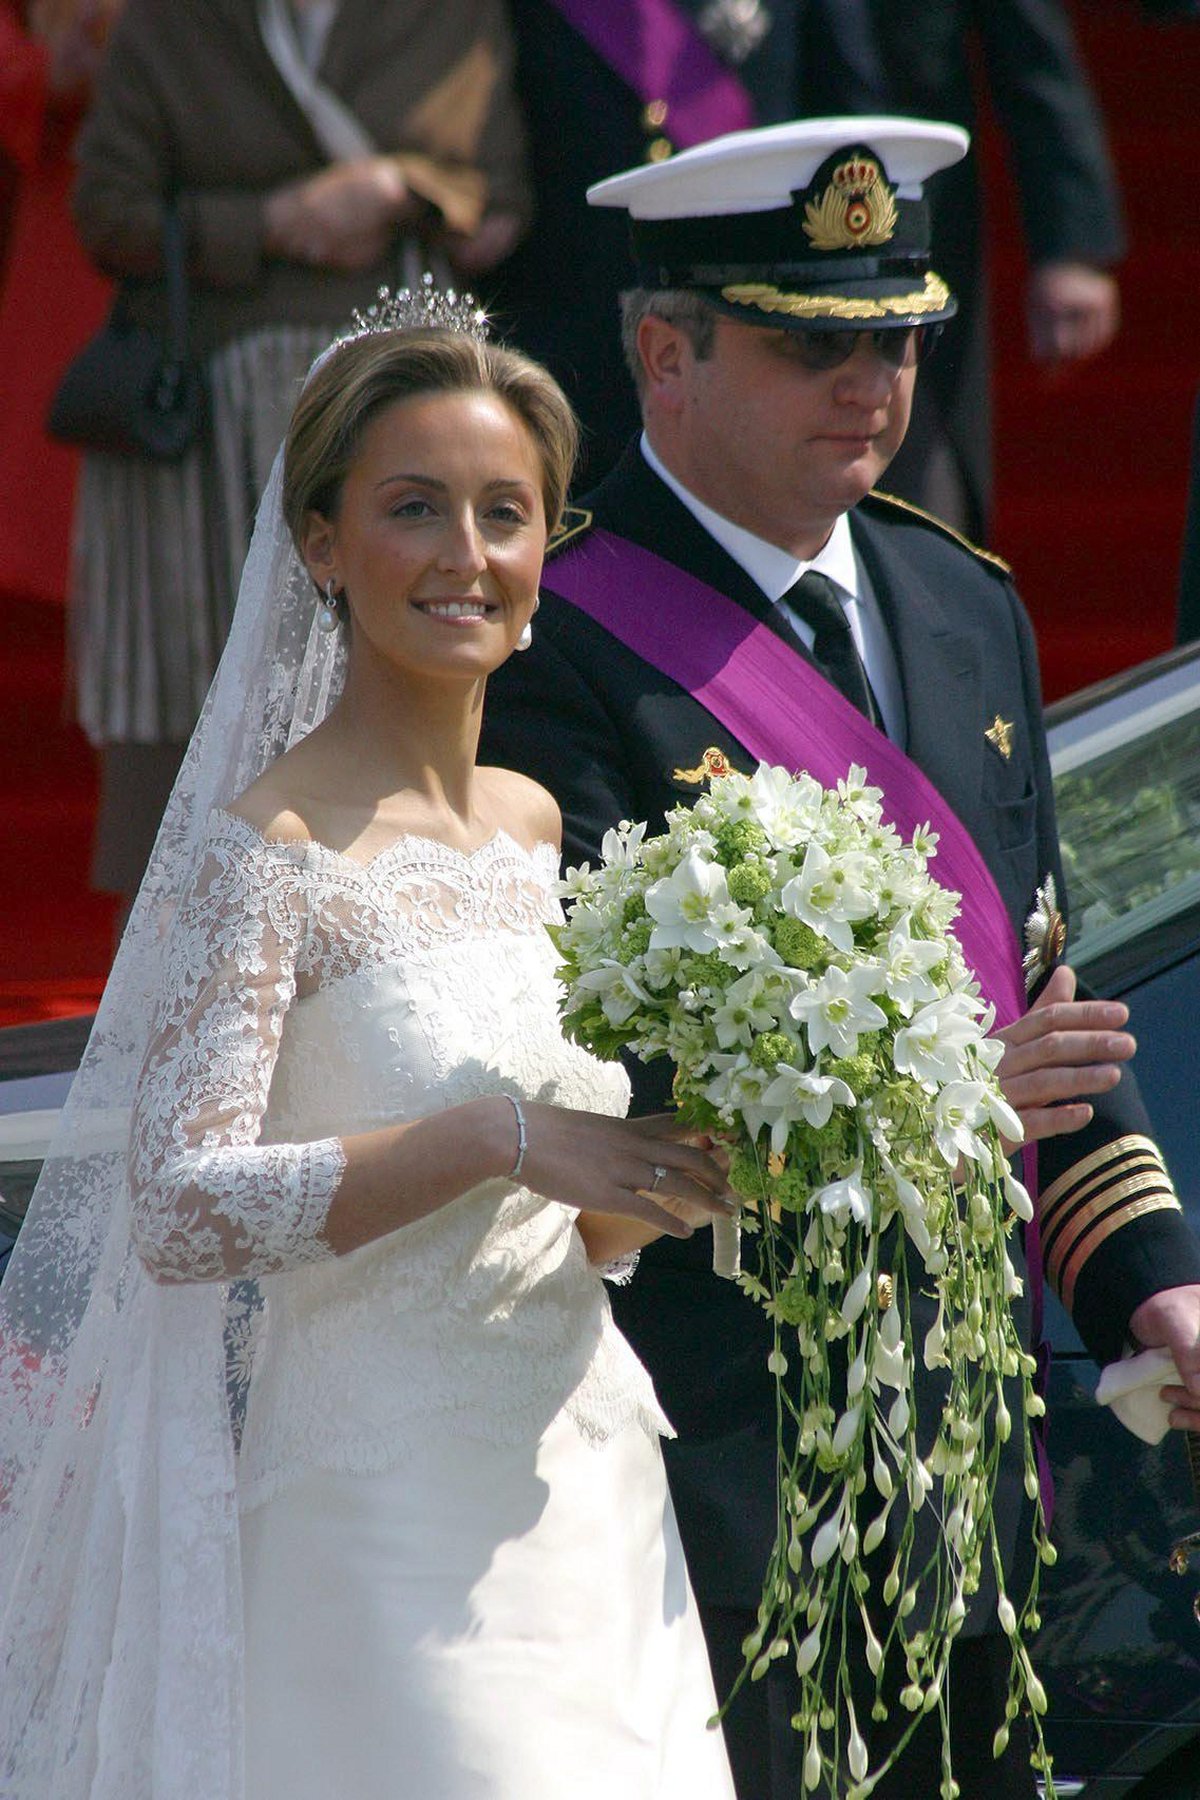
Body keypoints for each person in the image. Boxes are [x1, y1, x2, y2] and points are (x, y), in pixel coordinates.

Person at [481, 117, 1200, 1799]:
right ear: (668, 353)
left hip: (972, 1450)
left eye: (899, 335)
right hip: (712, 1454)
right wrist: (960, 1094)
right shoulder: (551, 645)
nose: (871, 381)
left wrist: (1150, 1279)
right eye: (814, 343)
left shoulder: (962, 608)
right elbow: (594, 1079)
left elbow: (1050, 1022)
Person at [0, 299, 739, 1799]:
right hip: (379, 1521)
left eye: (504, 513)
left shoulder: (541, 830)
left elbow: (585, 1230)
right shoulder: (266, 849)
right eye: (414, 508)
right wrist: (497, 1138)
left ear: (546, 559)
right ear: (324, 546)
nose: (465, 553)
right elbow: (183, 1203)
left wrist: (684, 1180)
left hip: (592, 1496)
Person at [67, 0, 530, 906]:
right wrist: (272, 223)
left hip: (404, 420)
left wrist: (398, 188)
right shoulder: (168, 25)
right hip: (202, 435)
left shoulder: (453, 20)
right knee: (186, 712)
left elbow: (500, 209)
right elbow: (106, 213)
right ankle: (179, 941)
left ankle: (402, 913)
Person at [496, 0, 1123, 537]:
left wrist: (877, 261)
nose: (868, 385)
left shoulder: (972, 603)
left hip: (795, 271)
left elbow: (852, 93)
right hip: (592, 295)